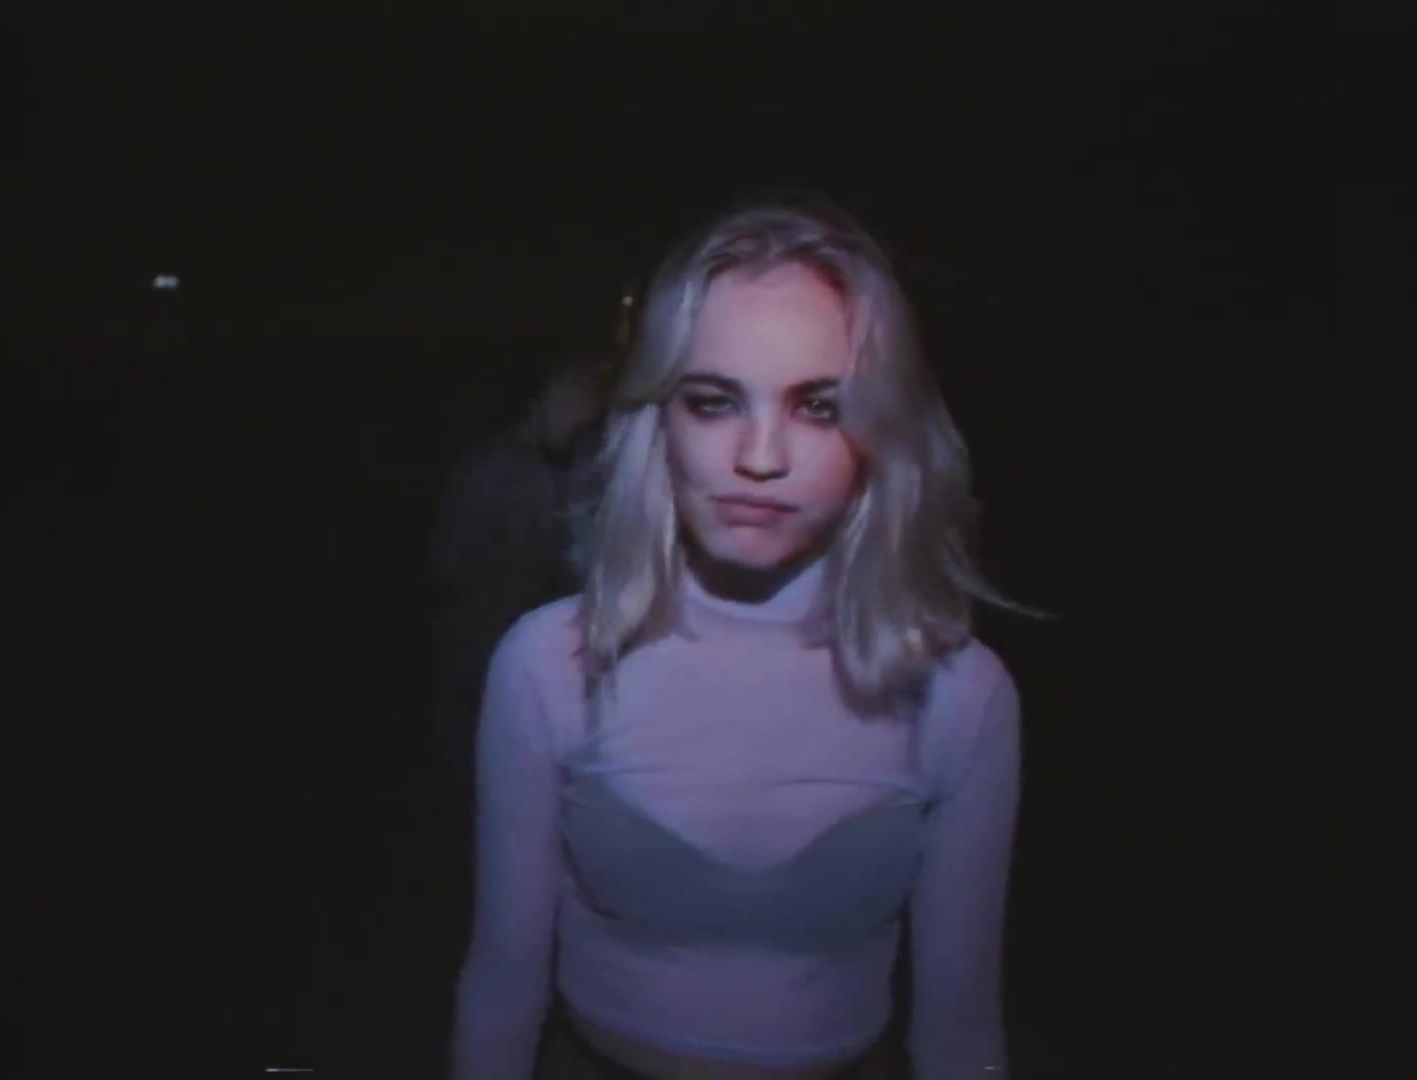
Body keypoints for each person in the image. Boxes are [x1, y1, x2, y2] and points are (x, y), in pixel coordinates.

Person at [449, 192, 1034, 1079]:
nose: (761, 457)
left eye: (819, 406)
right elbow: (502, 984)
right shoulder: (548, 665)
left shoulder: (961, 695)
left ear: (885, 431)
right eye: (715, 401)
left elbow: (960, 1030)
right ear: (659, 419)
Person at [427, 353, 611, 864]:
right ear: (545, 395)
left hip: (549, 673)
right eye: (576, 392)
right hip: (477, 662)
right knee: (473, 804)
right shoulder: (488, 470)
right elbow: (447, 564)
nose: (588, 406)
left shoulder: (583, 470)